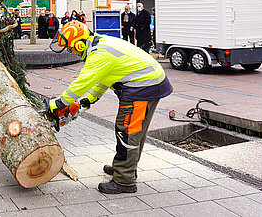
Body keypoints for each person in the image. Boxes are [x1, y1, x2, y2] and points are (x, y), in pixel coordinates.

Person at [48, 20, 173, 194]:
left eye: (70, 48)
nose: (71, 52)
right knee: (133, 132)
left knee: (127, 133)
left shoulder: (99, 53)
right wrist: (88, 100)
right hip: (147, 84)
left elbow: (81, 84)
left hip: (143, 88)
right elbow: (103, 79)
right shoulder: (99, 46)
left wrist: (58, 103)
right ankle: (124, 168)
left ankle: (124, 180)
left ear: (78, 43)